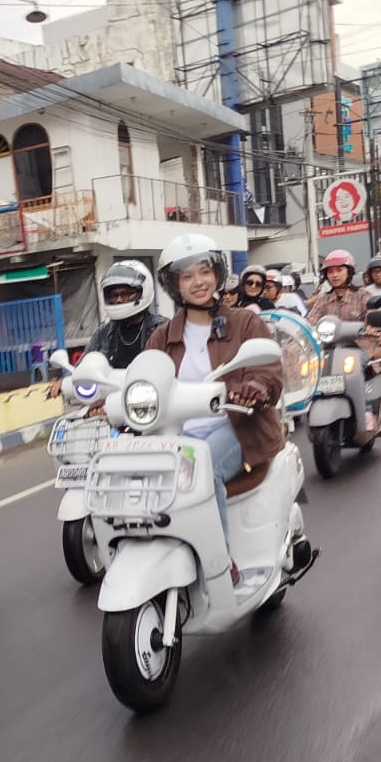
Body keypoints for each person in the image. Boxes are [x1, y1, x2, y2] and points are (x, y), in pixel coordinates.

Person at [144, 235, 285, 548]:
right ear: (174, 284)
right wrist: (110, 401)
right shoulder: (162, 336)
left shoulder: (245, 323)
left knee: (202, 472)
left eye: (204, 271)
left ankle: (219, 564)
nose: (198, 282)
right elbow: (143, 380)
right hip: (177, 434)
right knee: (144, 482)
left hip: (237, 427)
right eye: (187, 275)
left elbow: (269, 371)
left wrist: (255, 387)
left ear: (217, 274)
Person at [48, 260, 166, 397]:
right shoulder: (103, 333)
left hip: (152, 399)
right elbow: (82, 369)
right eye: (114, 296)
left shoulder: (161, 329)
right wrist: (65, 382)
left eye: (127, 294)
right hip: (109, 402)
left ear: (143, 291)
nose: (119, 300)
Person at [307, 249, 377, 355]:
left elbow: (373, 315)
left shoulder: (362, 296)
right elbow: (310, 322)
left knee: (378, 366)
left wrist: (372, 326)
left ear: (349, 272)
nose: (334, 275)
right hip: (330, 351)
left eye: (339, 270)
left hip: (361, 351)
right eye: (330, 272)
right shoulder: (323, 300)